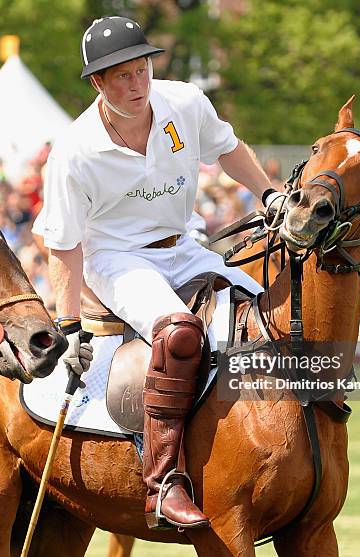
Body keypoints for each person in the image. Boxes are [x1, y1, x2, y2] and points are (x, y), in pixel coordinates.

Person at [38, 16, 283, 530]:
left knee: (264, 311)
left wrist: (269, 193)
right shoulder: (74, 152)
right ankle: (163, 481)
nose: (136, 84)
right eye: (121, 76)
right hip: (117, 259)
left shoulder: (186, 103)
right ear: (97, 83)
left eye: (142, 69)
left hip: (186, 245)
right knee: (177, 334)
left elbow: (230, 150)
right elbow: (63, 244)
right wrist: (69, 325)